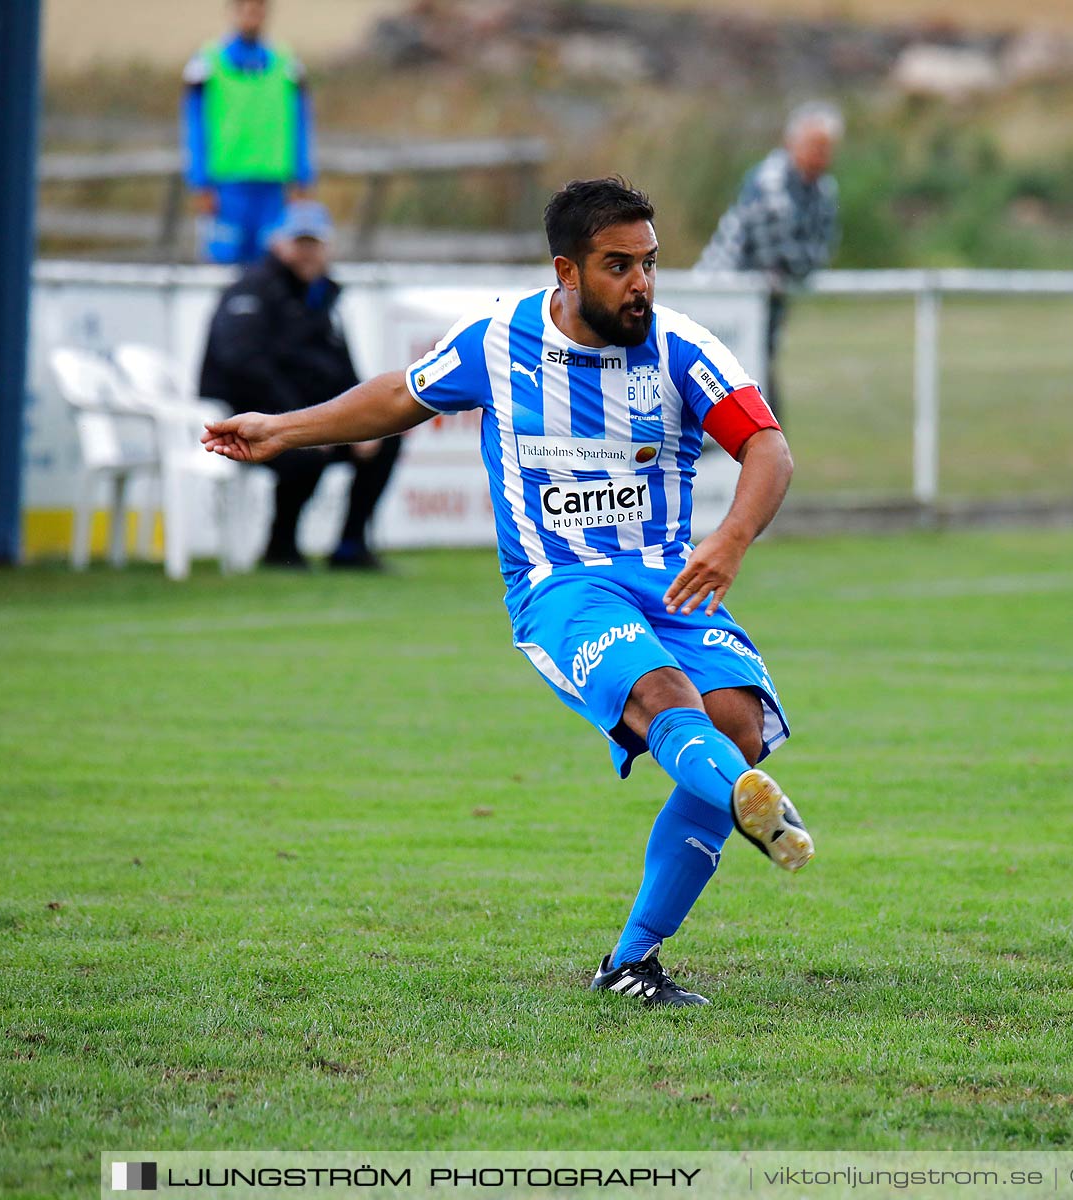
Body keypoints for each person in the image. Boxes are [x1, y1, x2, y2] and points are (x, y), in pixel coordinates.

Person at [204, 178, 813, 1005]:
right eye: (618, 266)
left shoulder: (682, 349)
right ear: (566, 270)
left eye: (650, 264)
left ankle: (632, 961)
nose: (641, 284)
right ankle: (747, 801)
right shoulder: (500, 341)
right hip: (559, 586)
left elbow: (768, 449)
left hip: (669, 581)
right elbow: (397, 396)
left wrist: (731, 539)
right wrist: (282, 426)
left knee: (735, 724)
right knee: (664, 698)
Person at [198, 201, 398, 569]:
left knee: (385, 439)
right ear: (278, 244)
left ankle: (350, 547)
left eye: (314, 244)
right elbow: (244, 366)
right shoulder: (253, 290)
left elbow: (342, 371)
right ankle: (281, 546)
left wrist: (366, 420)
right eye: (299, 243)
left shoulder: (324, 297)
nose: (308, 253)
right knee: (304, 455)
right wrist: (293, 423)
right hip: (246, 421)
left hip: (298, 417)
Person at [696, 102, 843, 419]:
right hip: (723, 296)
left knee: (760, 378)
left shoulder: (824, 190)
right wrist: (801, 262)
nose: (822, 156)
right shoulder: (769, 181)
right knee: (724, 381)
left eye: (827, 148)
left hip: (768, 302)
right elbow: (775, 255)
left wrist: (800, 262)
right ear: (792, 143)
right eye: (815, 146)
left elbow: (821, 251)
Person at [182, 0, 314, 265]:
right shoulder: (208, 63)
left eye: (258, 8)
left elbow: (301, 123)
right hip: (227, 184)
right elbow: (194, 124)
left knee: (273, 265)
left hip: (273, 185)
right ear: (232, 11)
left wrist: (302, 177)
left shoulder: (286, 64)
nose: (251, 15)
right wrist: (200, 181)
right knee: (223, 262)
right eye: (244, 8)